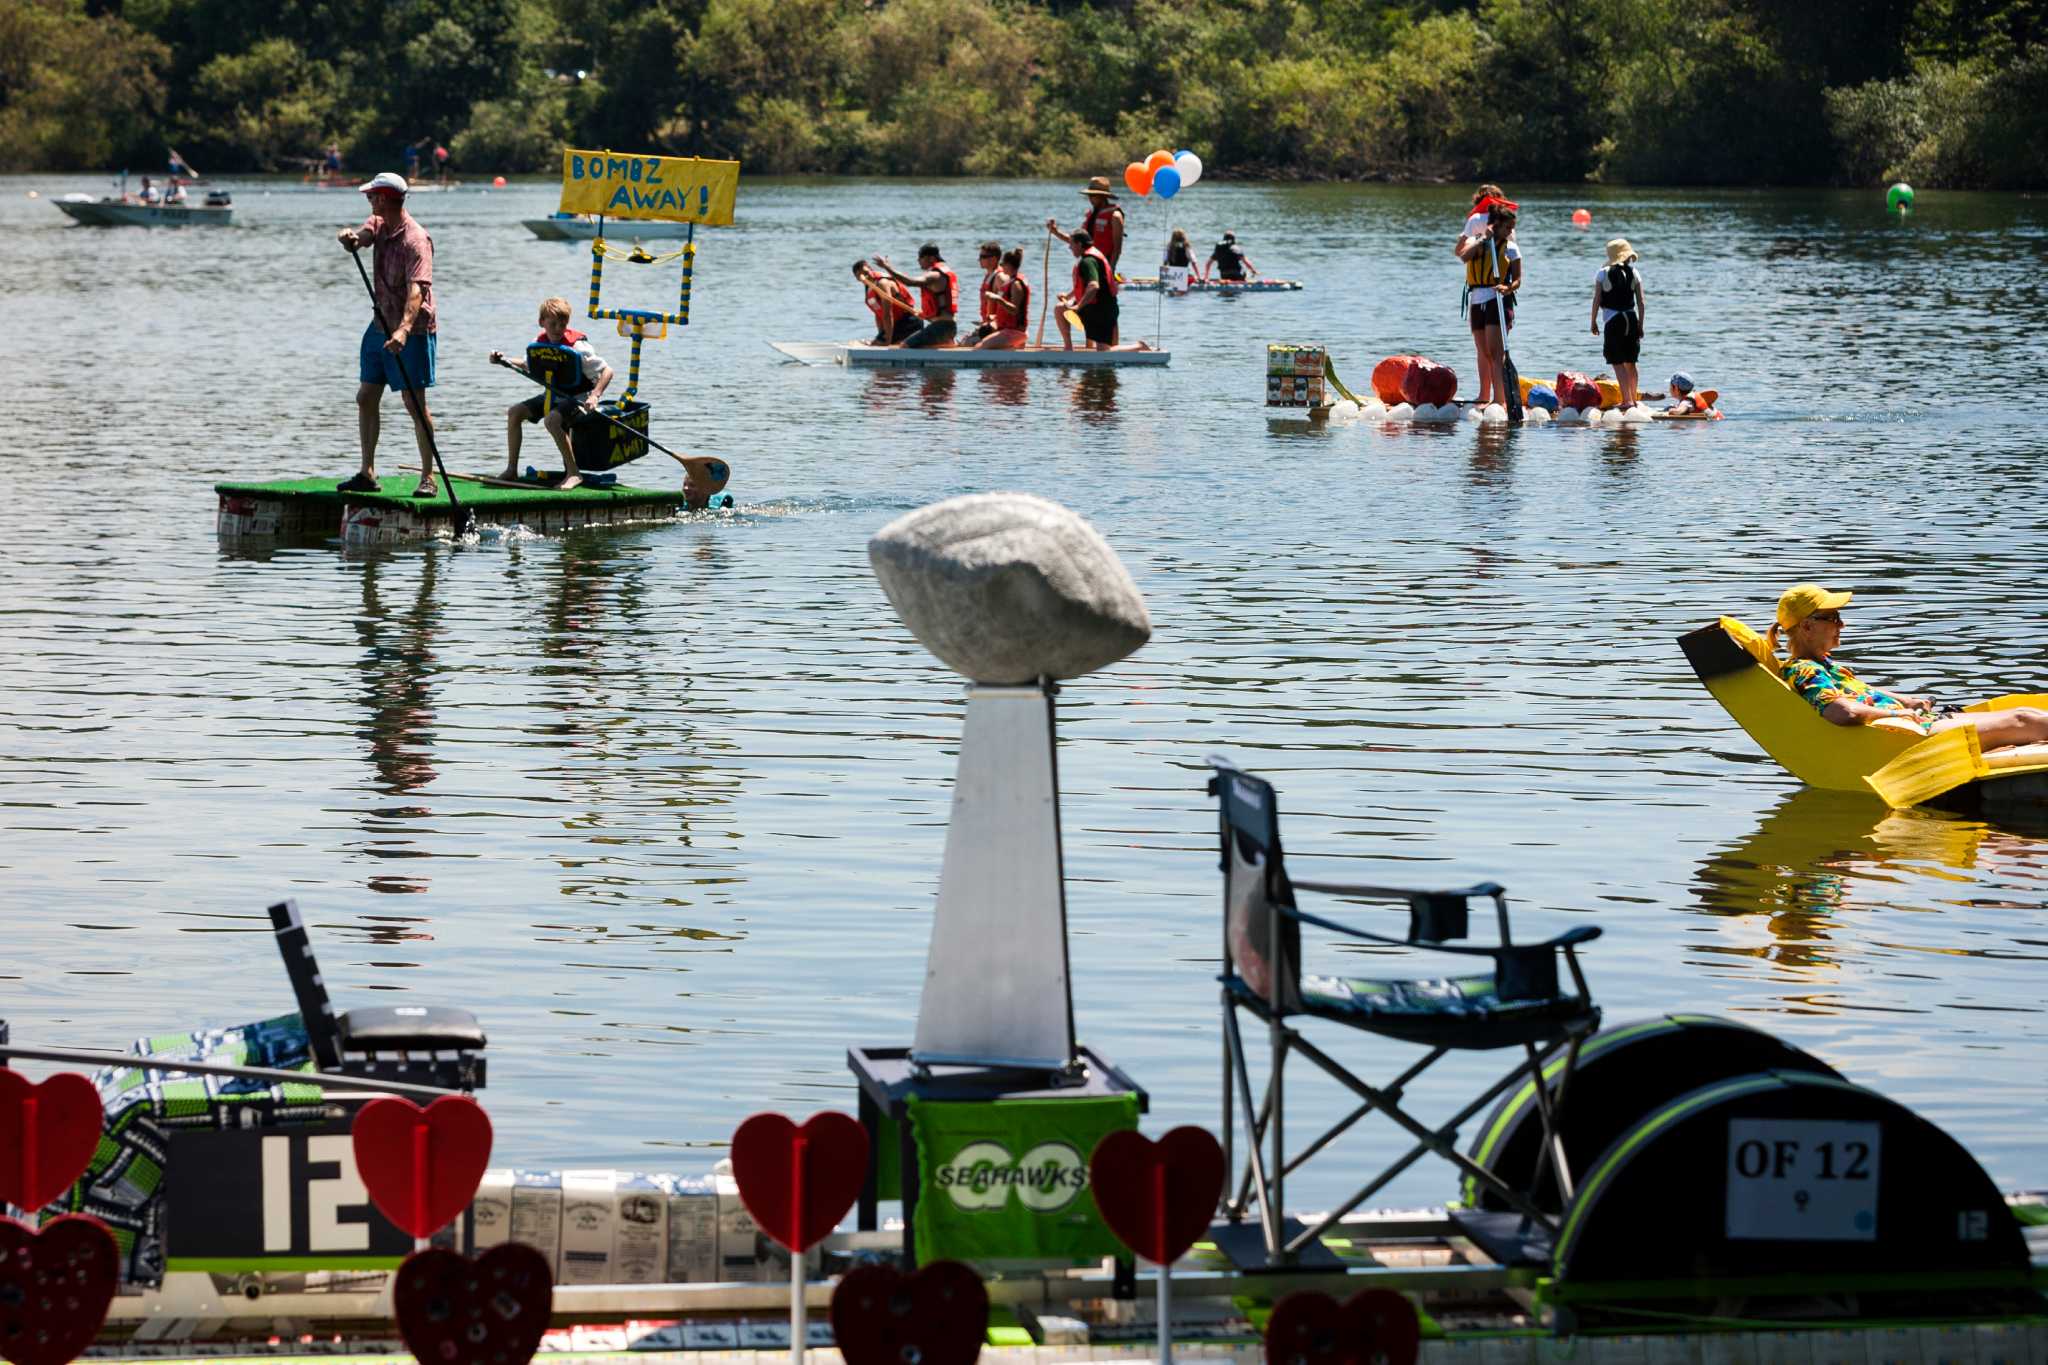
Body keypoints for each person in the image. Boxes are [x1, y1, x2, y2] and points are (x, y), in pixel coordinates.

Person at [1767, 583, 2048, 747]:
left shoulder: (1825, 665)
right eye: (1833, 617)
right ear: (1806, 626)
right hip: (1912, 736)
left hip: (1920, 723)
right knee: (2024, 721)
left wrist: (1906, 701)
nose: (1842, 624)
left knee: (2025, 712)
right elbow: (1843, 712)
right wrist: (1900, 716)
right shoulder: (1805, 670)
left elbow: (1861, 692)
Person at [336, 171, 438, 496]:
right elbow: (364, 236)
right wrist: (351, 239)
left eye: (371, 196)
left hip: (413, 331)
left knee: (414, 403)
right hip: (380, 325)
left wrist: (405, 330)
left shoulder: (416, 240)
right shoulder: (379, 223)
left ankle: (428, 478)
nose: (368, 200)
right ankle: (367, 473)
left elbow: (417, 291)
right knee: (366, 396)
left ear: (383, 199)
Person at [490, 296, 614, 490]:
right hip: (552, 396)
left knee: (552, 420)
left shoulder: (579, 347)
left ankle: (574, 473)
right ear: (542, 322)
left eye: (562, 324)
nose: (558, 329)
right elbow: (527, 364)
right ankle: (511, 470)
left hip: (578, 399)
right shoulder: (538, 342)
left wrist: (595, 395)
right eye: (553, 324)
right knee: (514, 412)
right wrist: (503, 360)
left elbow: (607, 371)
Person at [1457, 200, 1521, 408]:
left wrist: (1507, 288)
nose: (1511, 231)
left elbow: (1518, 279)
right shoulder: (1478, 243)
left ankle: (1500, 399)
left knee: (1496, 353)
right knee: (1483, 351)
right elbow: (1463, 256)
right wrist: (1483, 239)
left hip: (1498, 300)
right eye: (1507, 227)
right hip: (1477, 300)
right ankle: (1486, 395)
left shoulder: (1511, 248)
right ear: (1495, 226)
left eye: (1512, 227)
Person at [1590, 238, 1645, 407]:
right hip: (1631, 317)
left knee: (1617, 361)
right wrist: (1640, 325)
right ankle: (1634, 399)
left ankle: (1626, 400)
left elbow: (1597, 299)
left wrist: (1593, 321)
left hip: (1614, 320)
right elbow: (1641, 301)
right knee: (1631, 361)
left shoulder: (1603, 273)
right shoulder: (1634, 272)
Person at [871, 244, 958, 349]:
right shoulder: (945, 273)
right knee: (915, 344)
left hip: (941, 327)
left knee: (904, 347)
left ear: (931, 258)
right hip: (948, 327)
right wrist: (925, 314)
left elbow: (910, 281)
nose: (918, 260)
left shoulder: (934, 275)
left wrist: (886, 267)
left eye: (921, 257)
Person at [1056, 227, 1118, 351]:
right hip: (1093, 308)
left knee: (1103, 350)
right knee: (1060, 308)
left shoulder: (1088, 261)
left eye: (1071, 244)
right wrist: (1067, 297)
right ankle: (1068, 348)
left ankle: (1139, 346)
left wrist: (1078, 306)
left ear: (1079, 244)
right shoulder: (1087, 258)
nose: (1069, 248)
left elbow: (1093, 286)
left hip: (1102, 311)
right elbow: (1083, 286)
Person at [975, 247, 1030, 350]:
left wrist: (996, 298)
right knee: (980, 344)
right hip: (1007, 330)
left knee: (978, 348)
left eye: (1002, 264)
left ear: (1008, 265)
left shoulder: (1016, 284)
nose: (1001, 266)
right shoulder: (1010, 282)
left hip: (1014, 332)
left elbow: (1015, 310)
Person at [854, 261, 919, 344]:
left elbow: (888, 314)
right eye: (862, 275)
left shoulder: (882, 283)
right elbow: (878, 315)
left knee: (877, 343)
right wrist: (880, 335)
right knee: (871, 342)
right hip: (896, 324)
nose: (866, 276)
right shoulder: (869, 288)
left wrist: (887, 341)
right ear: (858, 279)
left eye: (866, 272)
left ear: (870, 269)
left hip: (909, 321)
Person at [958, 241, 1005, 347]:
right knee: (963, 340)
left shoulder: (999, 277)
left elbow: (1009, 304)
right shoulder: (989, 276)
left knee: (966, 343)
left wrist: (995, 322)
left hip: (996, 327)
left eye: (982, 256)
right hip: (986, 326)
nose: (979, 260)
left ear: (993, 259)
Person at [1161, 228, 1195, 294]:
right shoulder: (1186, 246)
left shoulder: (1169, 246)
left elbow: (1164, 263)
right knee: (1192, 278)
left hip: (1171, 277)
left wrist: (1163, 279)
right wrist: (1199, 277)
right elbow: (1193, 261)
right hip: (1184, 277)